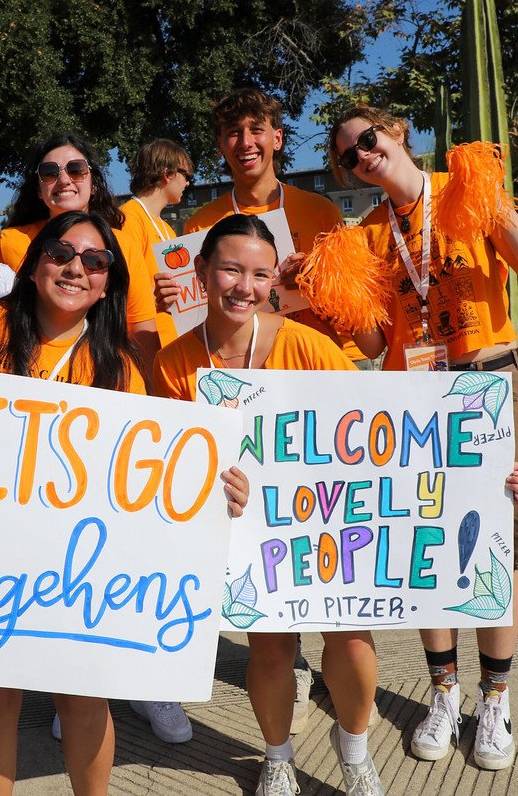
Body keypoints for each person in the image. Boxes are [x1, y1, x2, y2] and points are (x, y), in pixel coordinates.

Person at [0, 210, 246, 795]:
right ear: (35, 262)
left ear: (109, 282)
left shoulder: (116, 368)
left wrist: (213, 488)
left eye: (95, 261)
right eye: (61, 253)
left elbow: (150, 479)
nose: (75, 268)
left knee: (85, 700)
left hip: (76, 567)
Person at [153, 214, 383, 796]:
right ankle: (276, 755)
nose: (244, 287)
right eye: (230, 269)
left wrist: (484, 471)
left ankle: (353, 751)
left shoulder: (306, 345)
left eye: (259, 274)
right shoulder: (174, 362)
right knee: (272, 650)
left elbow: (383, 430)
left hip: (327, 525)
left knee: (351, 642)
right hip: (243, 536)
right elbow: (167, 460)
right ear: (201, 273)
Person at [153, 87, 360, 731]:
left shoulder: (320, 210)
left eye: (257, 129)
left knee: (339, 615)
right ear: (218, 145)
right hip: (226, 397)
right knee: (256, 586)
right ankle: (270, 684)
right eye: (231, 132)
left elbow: (352, 313)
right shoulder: (202, 223)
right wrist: (174, 295)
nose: (245, 141)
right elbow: (199, 327)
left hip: (308, 390)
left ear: (276, 138)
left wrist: (306, 289)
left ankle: (341, 717)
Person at [329, 104, 518, 771]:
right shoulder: (369, 236)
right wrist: (342, 298)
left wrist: (496, 209)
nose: (363, 156)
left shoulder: (467, 188)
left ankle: (495, 697)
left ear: (397, 132)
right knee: (429, 550)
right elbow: (379, 342)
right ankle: (443, 690)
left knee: (495, 544)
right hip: (417, 398)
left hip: (491, 381)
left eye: (368, 140)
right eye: (349, 157)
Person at [0, 133, 160, 384]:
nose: (64, 180)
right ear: (39, 190)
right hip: (19, 377)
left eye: (76, 170)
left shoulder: (122, 246)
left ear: (94, 183)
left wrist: (150, 398)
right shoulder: (9, 242)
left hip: (98, 382)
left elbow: (141, 329)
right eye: (50, 172)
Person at [120, 139, 194, 348]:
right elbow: (126, 291)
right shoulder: (129, 218)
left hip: (171, 342)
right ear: (167, 173)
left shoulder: (167, 228)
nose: (188, 183)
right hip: (144, 345)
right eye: (185, 175)